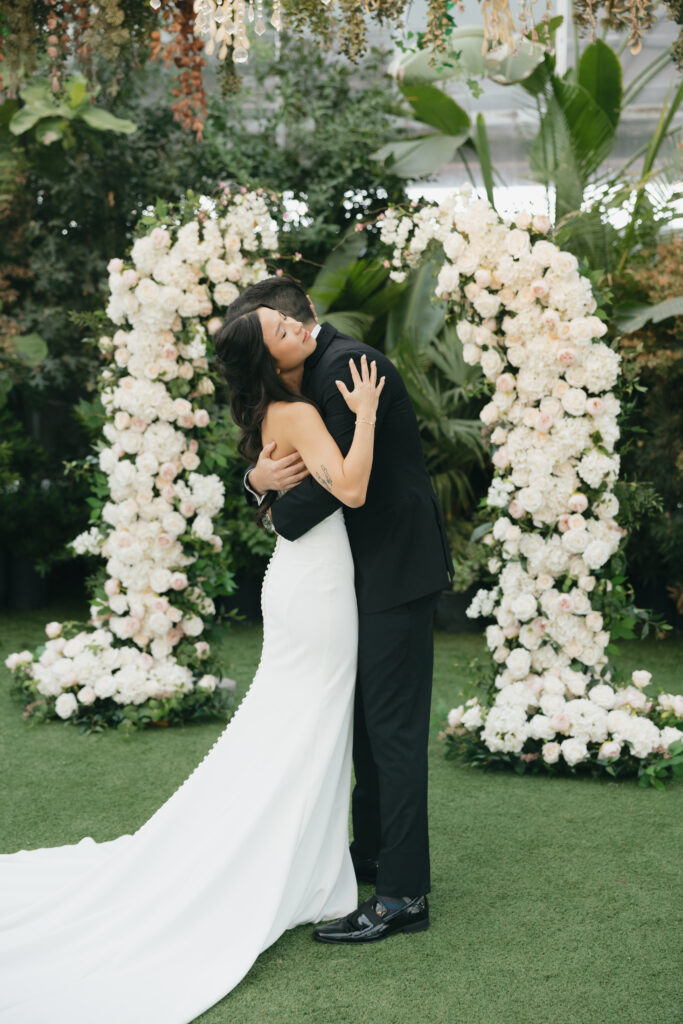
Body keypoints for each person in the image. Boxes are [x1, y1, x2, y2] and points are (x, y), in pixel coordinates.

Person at [0, 307, 385, 1023]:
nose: (300, 326)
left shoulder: (277, 410)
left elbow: (283, 498)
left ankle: (305, 866)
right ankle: (297, 870)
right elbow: (353, 489)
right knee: (304, 727)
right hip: (319, 588)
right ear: (269, 357)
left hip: (305, 577)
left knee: (292, 727)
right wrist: (363, 415)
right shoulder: (297, 411)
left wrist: (257, 480)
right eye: (281, 328)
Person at [225, 276, 453, 945]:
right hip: (356, 572)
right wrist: (255, 482)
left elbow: (330, 493)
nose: (292, 328)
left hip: (393, 567)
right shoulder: (306, 379)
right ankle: (373, 853)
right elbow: (298, 470)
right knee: (366, 729)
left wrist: (268, 504)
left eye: (286, 322)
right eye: (276, 330)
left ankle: (403, 895)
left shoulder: (350, 367)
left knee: (394, 733)